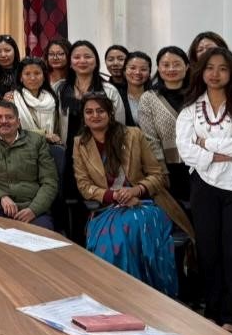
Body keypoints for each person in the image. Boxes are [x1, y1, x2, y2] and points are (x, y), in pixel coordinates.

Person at [74, 93, 193, 296]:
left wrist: (136, 190)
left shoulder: (133, 135)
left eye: (100, 111)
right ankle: (114, 294)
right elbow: (84, 186)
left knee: (130, 229)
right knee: (114, 241)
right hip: (108, 208)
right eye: (89, 112)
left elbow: (158, 175)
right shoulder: (80, 144)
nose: (95, 116)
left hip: (146, 204)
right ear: (83, 117)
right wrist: (114, 196)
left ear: (110, 114)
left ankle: (144, 295)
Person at [176, 47, 232, 335]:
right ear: (201, 71)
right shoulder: (191, 108)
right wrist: (218, 154)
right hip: (203, 185)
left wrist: (206, 145)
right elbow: (185, 149)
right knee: (208, 251)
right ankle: (212, 310)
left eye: (222, 68)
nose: (215, 74)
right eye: (210, 68)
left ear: (231, 72)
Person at [54, 41, 125, 235]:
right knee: (72, 204)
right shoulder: (60, 89)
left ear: (96, 61)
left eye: (88, 56)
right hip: (70, 155)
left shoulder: (109, 90)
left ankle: (101, 243)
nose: (82, 61)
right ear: (70, 62)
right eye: (77, 57)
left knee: (100, 201)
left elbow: (120, 127)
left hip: (102, 155)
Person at [0, 101, 58, 228]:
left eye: (9, 117)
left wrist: (33, 210)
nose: (4, 121)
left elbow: (50, 182)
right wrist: (1, 197)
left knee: (42, 236)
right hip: (0, 209)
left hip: (34, 210)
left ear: (18, 122)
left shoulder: (37, 141)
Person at [138, 46, 194, 205]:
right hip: (169, 169)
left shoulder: (197, 94)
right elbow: (150, 139)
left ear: (187, 67)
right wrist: (161, 170)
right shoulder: (148, 98)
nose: (171, 69)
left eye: (177, 64)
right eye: (165, 64)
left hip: (199, 166)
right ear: (158, 68)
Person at [10, 57, 61, 144]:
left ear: (44, 77)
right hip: (21, 147)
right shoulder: (12, 100)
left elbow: (57, 129)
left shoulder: (52, 100)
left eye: (37, 73)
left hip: (48, 148)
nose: (33, 78)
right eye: (27, 74)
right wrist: (43, 135)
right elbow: (11, 129)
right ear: (21, 77)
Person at [119, 51, 152, 127]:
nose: (137, 72)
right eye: (132, 68)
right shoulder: (118, 96)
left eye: (143, 69)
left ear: (149, 73)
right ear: (124, 71)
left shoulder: (156, 96)